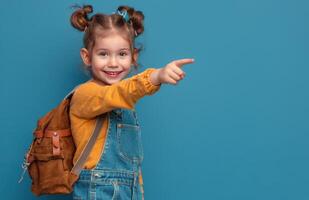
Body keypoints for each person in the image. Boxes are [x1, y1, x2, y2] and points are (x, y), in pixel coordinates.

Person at [69, 4, 194, 200]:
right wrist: (155, 76)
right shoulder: (86, 95)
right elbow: (119, 92)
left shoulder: (123, 102)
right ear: (87, 56)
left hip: (130, 190)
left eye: (122, 54)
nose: (113, 62)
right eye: (103, 54)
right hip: (97, 191)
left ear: (133, 56)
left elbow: (131, 167)